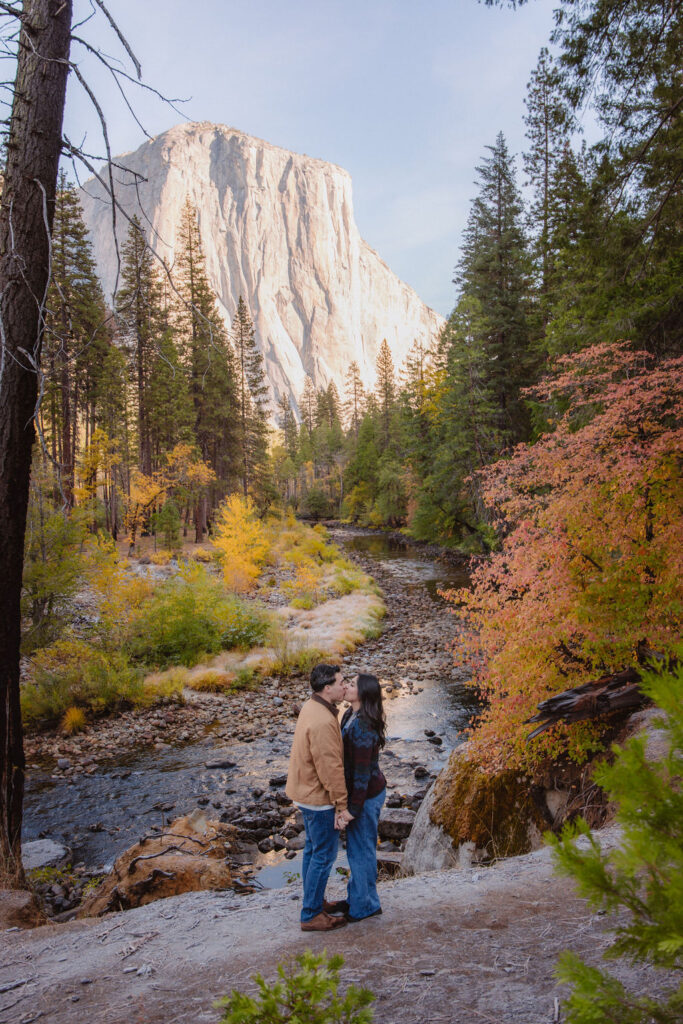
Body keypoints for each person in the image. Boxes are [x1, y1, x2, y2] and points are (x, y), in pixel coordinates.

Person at [285, 663, 350, 932]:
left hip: (305, 791)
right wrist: (342, 805)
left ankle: (315, 902)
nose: (345, 686)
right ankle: (311, 914)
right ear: (327, 688)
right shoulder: (323, 720)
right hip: (318, 797)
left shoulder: (312, 706)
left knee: (312, 851)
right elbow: (330, 768)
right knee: (323, 855)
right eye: (341, 682)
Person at [335, 672, 387, 922]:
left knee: (362, 851)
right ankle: (358, 898)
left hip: (367, 795)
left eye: (352, 684)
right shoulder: (349, 714)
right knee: (357, 849)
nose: (346, 686)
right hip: (360, 793)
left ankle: (367, 906)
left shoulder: (364, 725)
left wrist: (351, 810)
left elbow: (362, 775)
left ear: (362, 694)